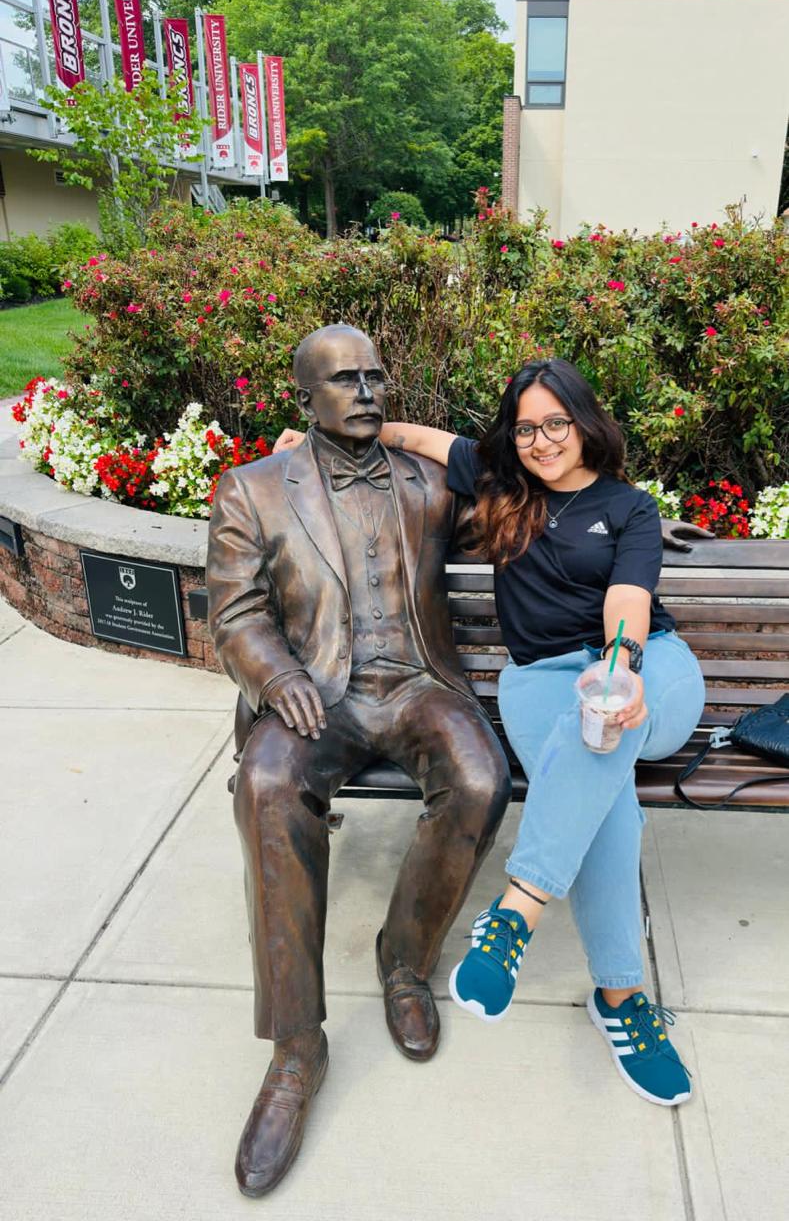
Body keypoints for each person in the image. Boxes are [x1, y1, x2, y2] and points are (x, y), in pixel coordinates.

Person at [276, 355, 706, 1107]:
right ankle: (620, 1001)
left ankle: (516, 913)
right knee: (604, 786)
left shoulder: (627, 507)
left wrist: (621, 672)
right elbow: (409, 435)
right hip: (539, 681)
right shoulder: (497, 481)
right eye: (526, 427)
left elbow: (629, 599)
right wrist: (300, 445)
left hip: (646, 669)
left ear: (583, 422)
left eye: (555, 424)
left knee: (601, 723)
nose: (541, 441)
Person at [206, 324, 511, 1197]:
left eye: (377, 376)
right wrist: (274, 675)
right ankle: (297, 1048)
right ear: (304, 395)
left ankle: (404, 958)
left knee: (480, 780)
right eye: (345, 380)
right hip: (318, 692)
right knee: (266, 786)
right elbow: (233, 614)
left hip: (417, 684)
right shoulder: (253, 489)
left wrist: (629, 529)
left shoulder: (423, 482)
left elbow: (520, 507)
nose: (367, 390)